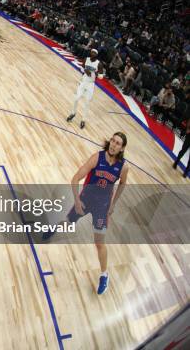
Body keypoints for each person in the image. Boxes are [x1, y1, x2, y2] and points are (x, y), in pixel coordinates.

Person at [43, 132, 129, 295]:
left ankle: (104, 275)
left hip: (102, 207)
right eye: (112, 140)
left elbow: (123, 184)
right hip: (85, 200)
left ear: (122, 148)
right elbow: (75, 179)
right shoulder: (97, 158)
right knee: (68, 223)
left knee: (99, 243)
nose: (113, 144)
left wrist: (113, 204)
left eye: (118, 143)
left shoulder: (123, 167)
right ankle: (54, 228)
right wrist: (76, 200)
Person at [67, 48, 103, 129]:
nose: (93, 54)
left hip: (90, 84)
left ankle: (83, 120)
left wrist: (93, 73)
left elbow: (101, 76)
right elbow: (82, 68)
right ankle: (73, 113)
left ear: (96, 55)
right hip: (83, 82)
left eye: (94, 53)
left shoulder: (99, 64)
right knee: (76, 98)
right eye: (92, 52)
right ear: (90, 53)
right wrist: (85, 71)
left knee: (87, 102)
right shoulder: (86, 59)